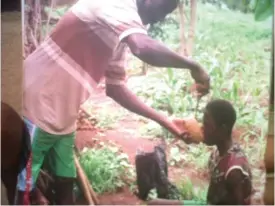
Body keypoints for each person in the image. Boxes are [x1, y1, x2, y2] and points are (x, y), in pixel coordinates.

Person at [17, 0, 210, 204]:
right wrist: (192, 66)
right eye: (162, 8)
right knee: (23, 191)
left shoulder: (122, 29)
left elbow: (116, 88)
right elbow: (142, 47)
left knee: (66, 182)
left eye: (167, 13)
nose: (160, 17)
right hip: (37, 108)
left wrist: (166, 121)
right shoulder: (116, 4)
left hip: (64, 117)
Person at [148, 99, 253, 205]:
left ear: (223, 129)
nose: (202, 127)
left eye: (207, 124)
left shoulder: (234, 170)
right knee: (155, 204)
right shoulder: (217, 154)